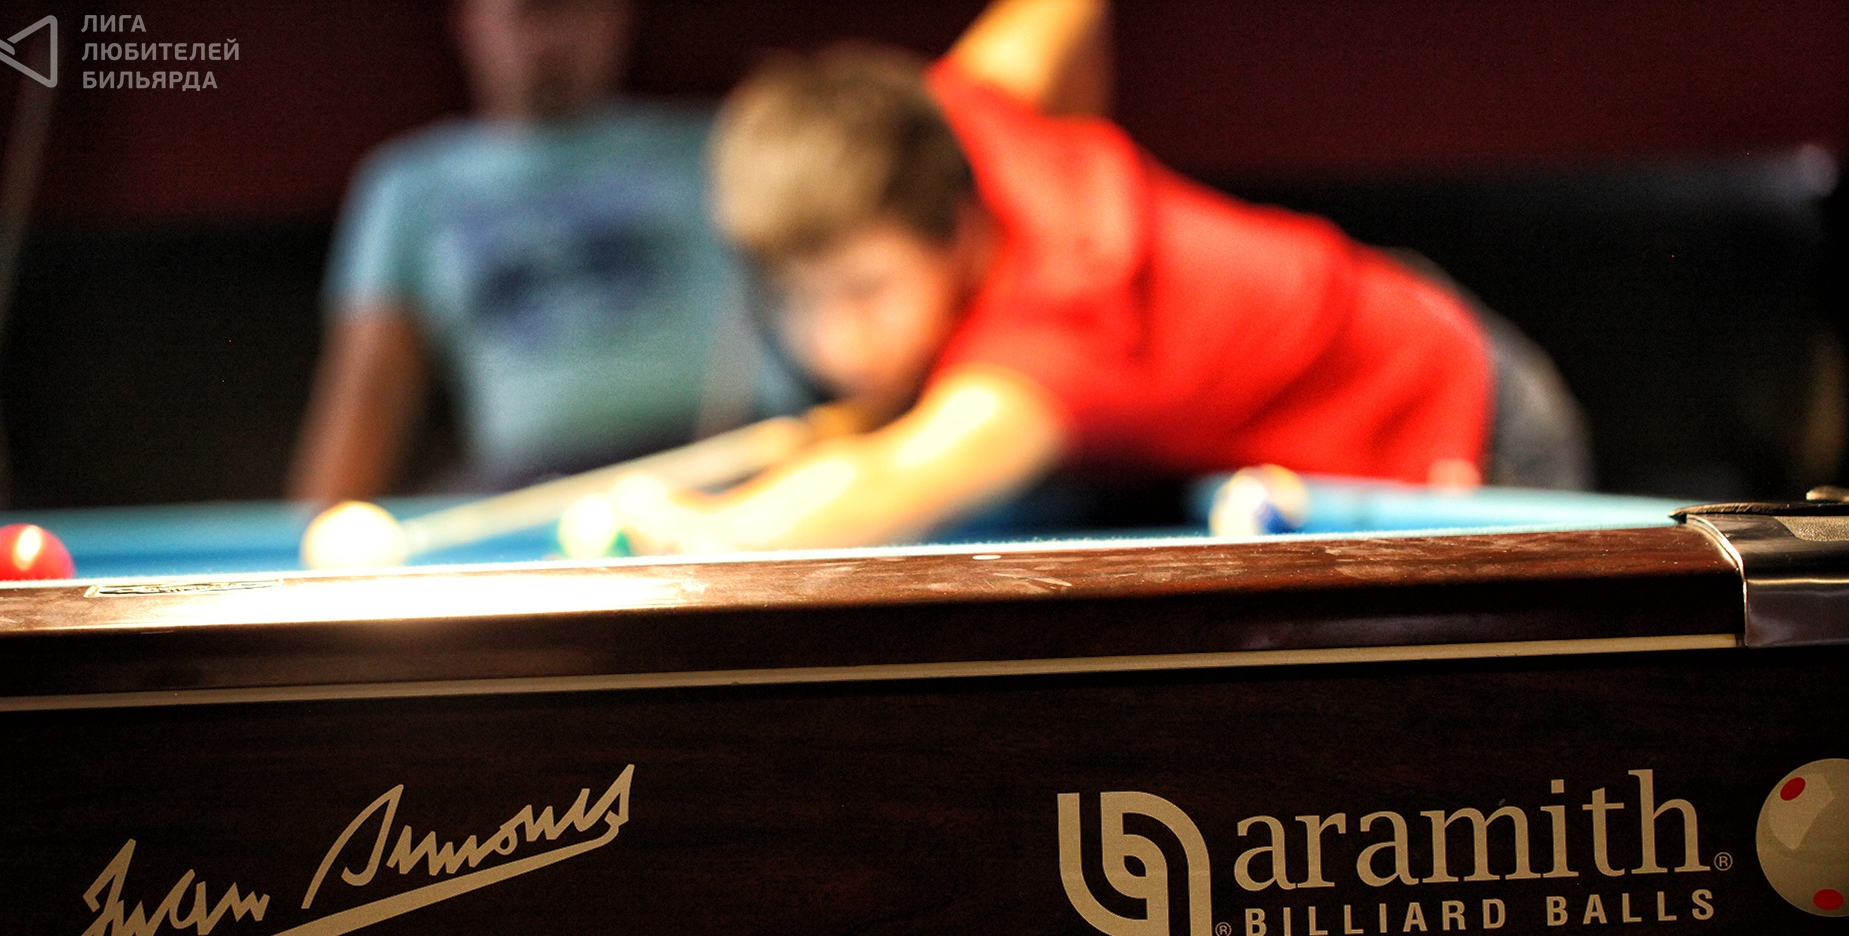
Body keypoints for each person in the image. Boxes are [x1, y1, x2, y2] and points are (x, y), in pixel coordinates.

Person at [606, 0, 1590, 554]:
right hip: (1361, 307)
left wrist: (685, 530)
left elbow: (890, 481)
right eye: (798, 297)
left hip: (1462, 409)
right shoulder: (950, 118)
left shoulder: (1056, 328)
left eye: (866, 291)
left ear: (956, 229)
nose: (834, 342)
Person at [290, 0, 782, 501]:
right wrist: (309, 533)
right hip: (528, 483)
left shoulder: (718, 144)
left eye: (576, 12)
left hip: (722, 464)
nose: (553, 39)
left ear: (616, 19)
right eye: (528, 14)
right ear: (472, 24)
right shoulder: (409, 185)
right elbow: (368, 390)